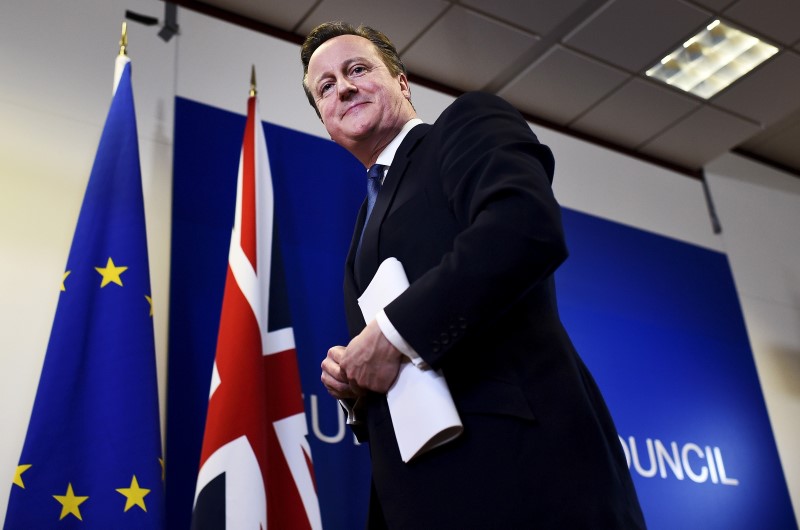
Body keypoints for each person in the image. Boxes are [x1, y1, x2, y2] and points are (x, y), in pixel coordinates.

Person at [302, 21, 646, 529]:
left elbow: (523, 228)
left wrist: (393, 337)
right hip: (422, 498)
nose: (344, 87)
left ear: (401, 82)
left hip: (523, 477)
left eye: (357, 69)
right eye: (326, 86)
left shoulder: (467, 123)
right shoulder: (361, 225)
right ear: (326, 121)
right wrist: (355, 379)